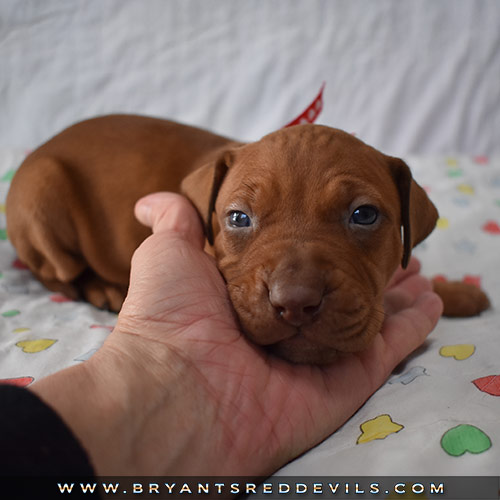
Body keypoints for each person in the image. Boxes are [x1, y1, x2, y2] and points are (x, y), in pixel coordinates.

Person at [0, 192, 443, 478]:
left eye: (363, 215)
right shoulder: (225, 186)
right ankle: (68, 276)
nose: (294, 297)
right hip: (59, 201)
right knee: (39, 194)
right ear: (208, 220)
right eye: (238, 219)